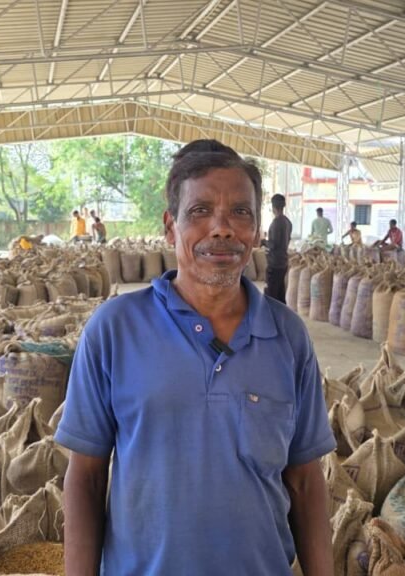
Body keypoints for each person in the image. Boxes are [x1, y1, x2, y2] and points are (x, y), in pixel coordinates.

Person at [57, 139, 335, 576]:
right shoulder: (114, 329)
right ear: (170, 227)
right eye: (200, 211)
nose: (221, 228)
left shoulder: (288, 336)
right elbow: (87, 478)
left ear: (258, 230)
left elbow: (304, 480)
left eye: (240, 212)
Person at [264, 193, 291, 303]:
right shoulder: (287, 222)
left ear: (273, 206)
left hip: (274, 263)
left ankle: (271, 318)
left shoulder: (276, 223)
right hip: (283, 262)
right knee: (280, 293)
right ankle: (281, 317)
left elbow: (273, 244)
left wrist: (263, 242)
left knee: (271, 295)